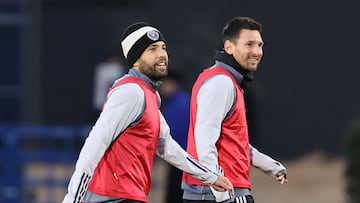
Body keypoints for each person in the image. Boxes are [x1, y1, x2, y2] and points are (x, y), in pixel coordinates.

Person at [62, 22, 234, 203]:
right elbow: (95, 143)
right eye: (152, 49)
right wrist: (72, 199)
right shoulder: (131, 92)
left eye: (163, 48)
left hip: (127, 196)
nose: (162, 54)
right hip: (112, 197)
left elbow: (167, 146)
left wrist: (211, 177)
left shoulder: (148, 94)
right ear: (135, 59)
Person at [182, 16, 288, 203]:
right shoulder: (222, 82)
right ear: (229, 47)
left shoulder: (226, 80)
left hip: (219, 190)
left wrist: (270, 166)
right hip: (218, 192)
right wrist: (222, 194)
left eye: (260, 45)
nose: (257, 52)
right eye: (249, 44)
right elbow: (204, 140)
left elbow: (234, 140)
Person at [159, 70, 191, 203]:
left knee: (176, 192)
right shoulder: (176, 101)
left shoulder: (180, 103)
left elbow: (175, 131)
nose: (163, 87)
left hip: (181, 155)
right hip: (179, 155)